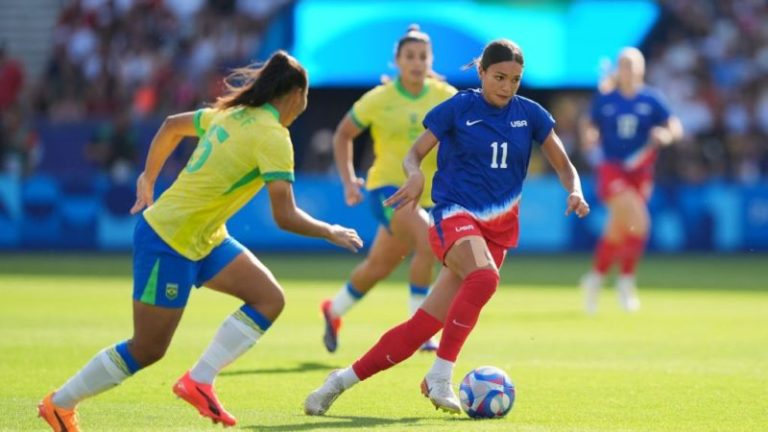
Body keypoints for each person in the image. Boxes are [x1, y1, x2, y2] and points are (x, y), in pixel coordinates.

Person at [38, 50, 363, 431]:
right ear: (295, 95)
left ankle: (200, 380)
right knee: (147, 349)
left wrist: (149, 176)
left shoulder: (232, 114)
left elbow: (172, 125)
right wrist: (331, 231)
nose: (304, 108)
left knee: (268, 298)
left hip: (205, 238)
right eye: (305, 100)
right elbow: (284, 216)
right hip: (169, 239)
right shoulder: (274, 137)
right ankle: (59, 404)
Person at [304, 39, 590, 416]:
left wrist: (575, 189)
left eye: (515, 80)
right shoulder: (459, 106)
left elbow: (564, 163)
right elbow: (414, 153)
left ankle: (339, 381)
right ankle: (442, 374)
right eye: (499, 77)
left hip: (498, 231)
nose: (506, 86)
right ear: (482, 73)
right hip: (453, 215)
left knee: (418, 331)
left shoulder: (531, 114)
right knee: (485, 278)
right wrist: (413, 176)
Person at [321, 24, 456, 353]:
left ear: (431, 60)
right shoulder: (379, 98)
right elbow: (342, 135)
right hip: (387, 189)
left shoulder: (446, 96)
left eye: (422, 56)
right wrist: (349, 179)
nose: (416, 62)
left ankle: (333, 310)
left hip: (426, 196)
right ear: (396, 61)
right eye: (409, 56)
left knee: (379, 266)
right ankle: (420, 329)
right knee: (428, 242)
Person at [579, 47, 682, 314]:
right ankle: (626, 281)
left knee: (618, 230)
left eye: (633, 65)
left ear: (642, 69)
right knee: (640, 223)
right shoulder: (606, 99)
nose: (629, 70)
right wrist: (589, 136)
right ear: (618, 69)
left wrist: (665, 135)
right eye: (624, 65)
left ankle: (595, 279)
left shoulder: (652, 98)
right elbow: (590, 124)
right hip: (613, 169)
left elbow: (673, 126)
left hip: (641, 172)